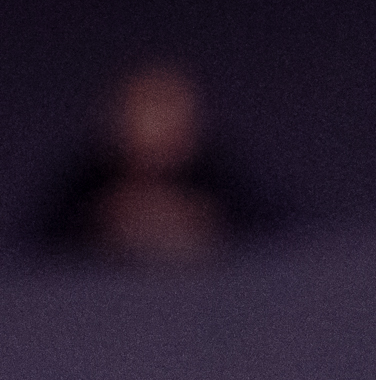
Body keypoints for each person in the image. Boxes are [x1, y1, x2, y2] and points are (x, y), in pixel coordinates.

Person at [35, 64, 276, 266]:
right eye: (150, 109)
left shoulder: (228, 184)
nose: (164, 126)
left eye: (173, 108)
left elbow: (273, 240)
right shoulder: (81, 191)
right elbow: (43, 253)